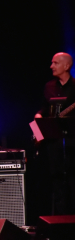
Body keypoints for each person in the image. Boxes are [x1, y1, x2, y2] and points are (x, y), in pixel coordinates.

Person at [34, 52, 75, 215]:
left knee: (72, 180)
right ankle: (58, 223)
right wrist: (37, 120)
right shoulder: (49, 86)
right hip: (53, 143)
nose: (51, 66)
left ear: (66, 66)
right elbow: (43, 110)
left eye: (55, 63)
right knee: (56, 182)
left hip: (72, 142)